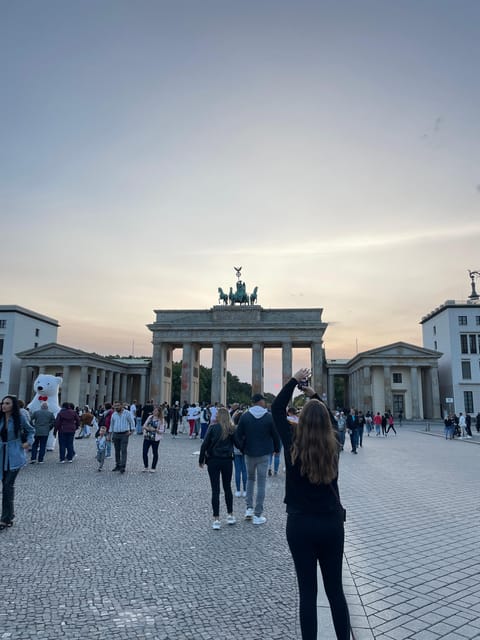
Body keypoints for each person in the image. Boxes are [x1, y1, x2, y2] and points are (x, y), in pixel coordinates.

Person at [271, 369, 350, 640]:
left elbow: (276, 408)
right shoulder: (335, 442)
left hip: (300, 524)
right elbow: (328, 417)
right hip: (330, 523)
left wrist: (294, 381)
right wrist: (313, 395)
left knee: (308, 594)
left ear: (300, 421)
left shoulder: (292, 442)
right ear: (327, 423)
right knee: (335, 591)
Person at [235, 393, 280, 525]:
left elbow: (237, 436)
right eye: (263, 401)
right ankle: (258, 514)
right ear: (260, 402)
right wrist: (277, 449)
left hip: (249, 453)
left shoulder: (245, 416)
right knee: (261, 483)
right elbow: (275, 435)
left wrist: (242, 448)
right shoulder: (268, 417)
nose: (265, 403)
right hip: (265, 454)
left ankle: (249, 508)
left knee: (250, 479)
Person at [0, 395, 35, 528]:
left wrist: (28, 443)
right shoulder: (1, 418)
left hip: (14, 455)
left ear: (13, 405)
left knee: (8, 486)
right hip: (2, 455)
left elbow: (31, 430)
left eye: (7, 403)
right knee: (6, 486)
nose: (4, 405)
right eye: (3, 403)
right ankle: (9, 515)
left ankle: (5, 518)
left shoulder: (20, 417)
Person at [199, 407, 236, 530]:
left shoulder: (213, 428)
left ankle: (216, 519)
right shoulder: (231, 429)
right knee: (227, 488)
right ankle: (230, 515)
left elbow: (204, 444)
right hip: (227, 461)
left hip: (213, 460)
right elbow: (238, 444)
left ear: (219, 416)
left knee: (215, 490)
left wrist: (201, 460)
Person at [110, 401, 135, 474]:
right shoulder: (114, 414)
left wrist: (132, 431)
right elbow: (112, 425)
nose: (116, 407)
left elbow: (132, 421)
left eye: (118, 405)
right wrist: (110, 434)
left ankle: (123, 466)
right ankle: (117, 464)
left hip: (124, 434)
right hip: (116, 434)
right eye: (115, 406)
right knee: (117, 450)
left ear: (121, 405)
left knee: (123, 450)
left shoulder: (127, 413)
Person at [142, 406, 165, 472]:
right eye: (154, 410)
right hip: (147, 437)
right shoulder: (150, 417)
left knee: (155, 452)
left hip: (155, 438)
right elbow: (144, 425)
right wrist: (147, 428)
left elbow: (162, 430)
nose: (154, 412)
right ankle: (146, 466)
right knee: (144, 452)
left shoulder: (161, 420)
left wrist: (155, 430)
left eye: (156, 411)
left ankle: (153, 467)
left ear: (159, 412)